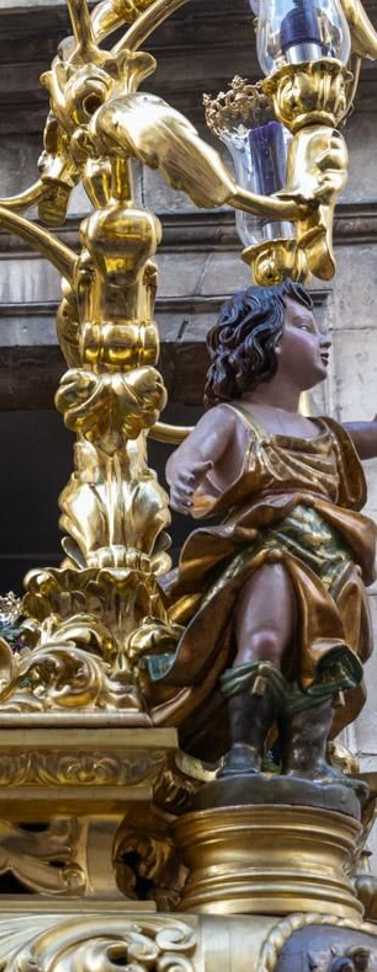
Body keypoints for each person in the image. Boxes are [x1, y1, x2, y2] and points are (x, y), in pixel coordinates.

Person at [153, 281, 377, 783]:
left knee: (325, 657)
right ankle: (241, 753)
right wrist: (183, 473)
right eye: (304, 327)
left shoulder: (326, 432)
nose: (323, 341)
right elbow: (191, 454)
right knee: (265, 639)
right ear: (267, 339)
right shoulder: (231, 418)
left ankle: (306, 759)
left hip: (335, 561)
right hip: (269, 554)